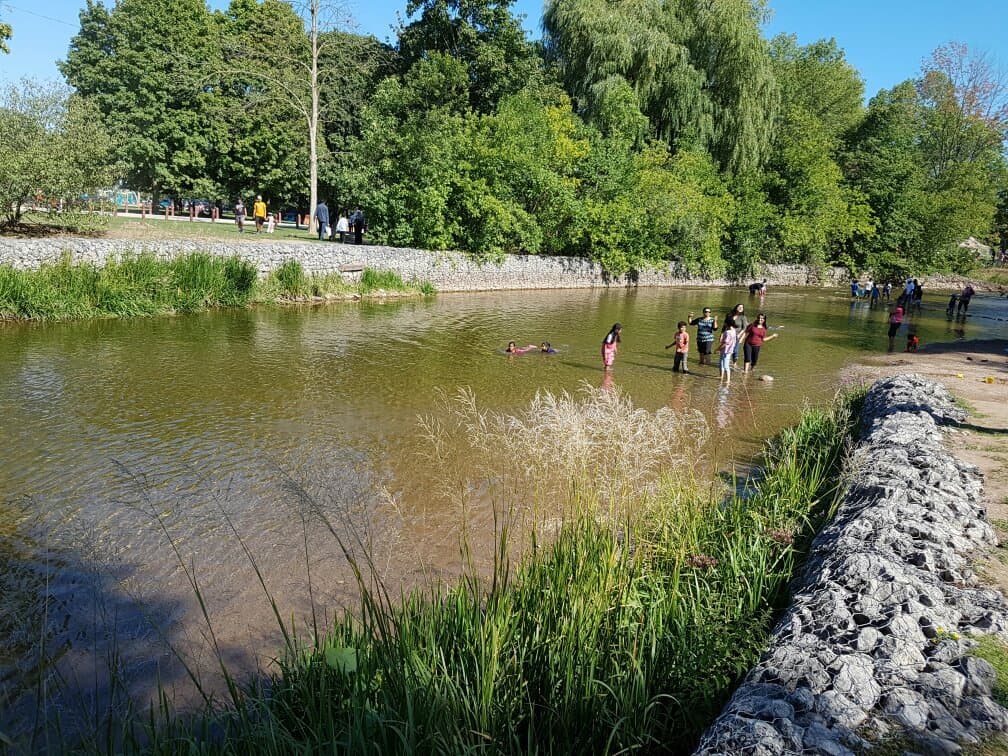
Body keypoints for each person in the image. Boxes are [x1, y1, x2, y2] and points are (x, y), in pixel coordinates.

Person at [718, 319, 738, 385]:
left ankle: (728, 380)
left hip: (726, 351)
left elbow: (725, 343)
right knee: (721, 363)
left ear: (727, 324)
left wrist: (717, 349)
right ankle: (721, 376)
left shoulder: (728, 332)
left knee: (726, 365)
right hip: (728, 350)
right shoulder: (734, 331)